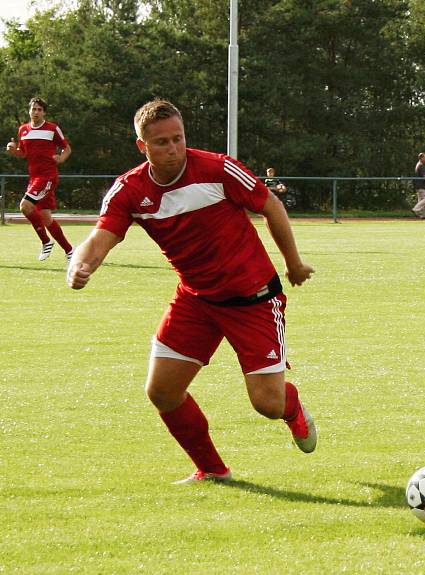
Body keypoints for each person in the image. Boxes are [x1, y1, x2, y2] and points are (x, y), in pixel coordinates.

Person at [66, 99, 317, 483]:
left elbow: (272, 206)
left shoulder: (217, 169)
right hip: (196, 300)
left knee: (267, 404)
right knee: (162, 391)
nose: (173, 148)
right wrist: (81, 264)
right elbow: (100, 238)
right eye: (162, 142)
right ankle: (213, 470)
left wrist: (294, 263)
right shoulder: (129, 191)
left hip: (253, 299)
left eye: (178, 139)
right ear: (142, 147)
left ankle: (291, 407)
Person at [5, 97, 73, 261]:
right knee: (45, 217)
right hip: (34, 177)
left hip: (48, 176)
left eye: (39, 109)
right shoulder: (23, 130)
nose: (36, 112)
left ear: (44, 112)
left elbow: (67, 148)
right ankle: (70, 251)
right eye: (33, 109)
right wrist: (13, 151)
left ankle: (46, 241)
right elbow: (23, 153)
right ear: (29, 111)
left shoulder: (52, 129)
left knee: (25, 206)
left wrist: (61, 158)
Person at [412, 152, 425, 219]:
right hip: (422, 186)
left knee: (421, 200)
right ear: (421, 158)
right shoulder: (421, 165)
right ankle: (415, 209)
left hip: (419, 186)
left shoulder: (419, 164)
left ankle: (423, 215)